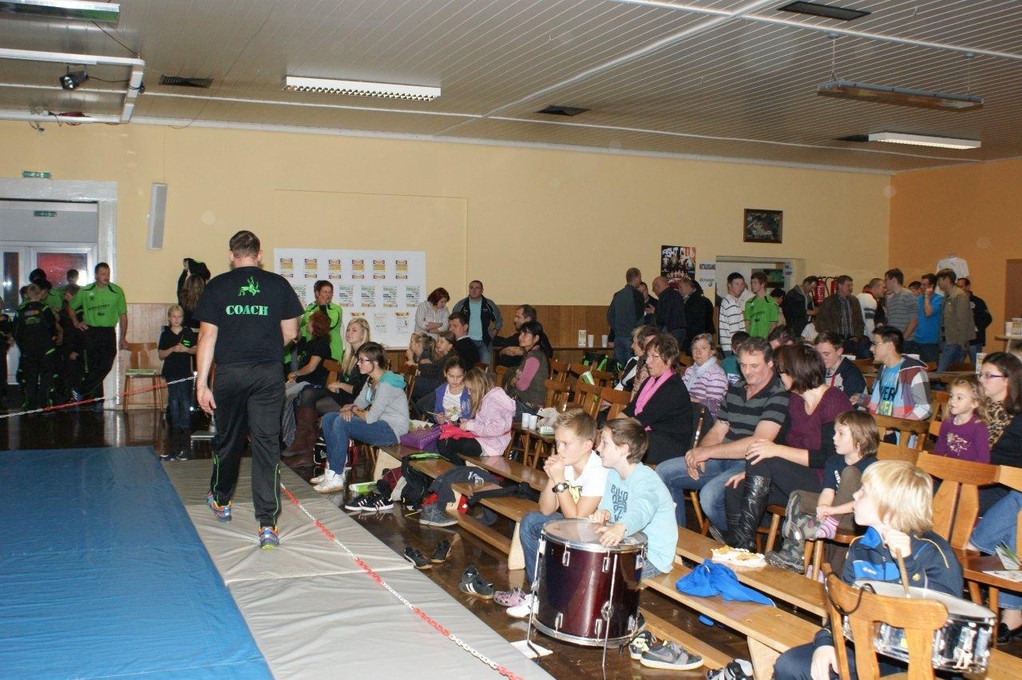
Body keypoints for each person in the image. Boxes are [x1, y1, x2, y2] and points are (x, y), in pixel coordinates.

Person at [773, 461, 962, 680]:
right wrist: (826, 643)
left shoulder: (933, 552)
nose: (855, 494)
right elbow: (844, 606)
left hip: (915, 658)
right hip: (866, 644)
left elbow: (944, 620)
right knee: (790, 665)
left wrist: (908, 562)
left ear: (889, 506)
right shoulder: (860, 547)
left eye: (864, 492)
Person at [194, 230, 303, 550]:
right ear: (260, 254)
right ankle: (267, 524)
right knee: (267, 444)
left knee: (229, 440)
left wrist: (201, 383)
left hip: (230, 373)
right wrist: (264, 346)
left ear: (231, 255)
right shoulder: (278, 284)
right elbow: (291, 333)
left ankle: (221, 500)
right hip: (268, 373)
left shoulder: (217, 286)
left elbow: (206, 337)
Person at [713, 344, 851, 551]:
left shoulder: (833, 401)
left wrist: (773, 453)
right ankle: (740, 548)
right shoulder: (795, 400)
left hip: (825, 482)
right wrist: (752, 472)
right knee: (735, 487)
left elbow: (827, 457)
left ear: (796, 373)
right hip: (794, 475)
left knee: (765, 454)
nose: (780, 377)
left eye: (782, 372)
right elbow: (779, 442)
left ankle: (741, 542)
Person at [656, 337, 788, 529]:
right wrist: (700, 452)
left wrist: (708, 452)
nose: (747, 371)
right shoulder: (736, 389)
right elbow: (718, 430)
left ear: (770, 363)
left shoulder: (778, 393)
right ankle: (677, 537)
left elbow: (758, 442)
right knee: (663, 471)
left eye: (754, 365)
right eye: (743, 365)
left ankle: (737, 538)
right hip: (721, 457)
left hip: (751, 465)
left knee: (710, 497)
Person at [495, 409, 607, 616]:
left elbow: (577, 519)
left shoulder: (597, 471)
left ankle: (548, 594)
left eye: (565, 444)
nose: (559, 449)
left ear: (587, 446)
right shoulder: (568, 463)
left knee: (548, 526)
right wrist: (552, 477)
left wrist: (560, 480)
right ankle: (539, 592)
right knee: (531, 521)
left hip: (594, 534)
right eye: (557, 443)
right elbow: (546, 509)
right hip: (573, 525)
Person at [766, 410, 879, 572]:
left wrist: (832, 512)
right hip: (834, 512)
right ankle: (793, 553)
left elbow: (865, 503)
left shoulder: (872, 467)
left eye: (841, 434)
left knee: (850, 472)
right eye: (835, 432)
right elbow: (828, 491)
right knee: (798, 496)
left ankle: (822, 525)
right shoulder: (834, 461)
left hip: (855, 517)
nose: (834, 438)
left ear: (860, 440)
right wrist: (823, 508)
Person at [418, 368, 517, 524]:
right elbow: (485, 423)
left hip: (491, 445)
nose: (469, 393)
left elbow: (496, 429)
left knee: (447, 444)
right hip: (484, 440)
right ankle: (459, 475)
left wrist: (471, 425)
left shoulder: (492, 400)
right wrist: (470, 423)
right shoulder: (488, 397)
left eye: (470, 389)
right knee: (445, 441)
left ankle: (461, 475)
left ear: (477, 386)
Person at [313, 342, 409, 494]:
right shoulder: (371, 379)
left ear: (374, 363)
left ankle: (337, 474)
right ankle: (331, 471)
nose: (358, 363)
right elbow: (360, 402)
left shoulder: (386, 385)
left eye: (362, 360)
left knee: (341, 422)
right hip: (380, 424)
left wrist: (352, 410)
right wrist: (352, 409)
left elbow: (369, 418)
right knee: (329, 418)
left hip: (392, 431)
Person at [590, 418, 677, 580]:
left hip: (651, 556)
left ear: (623, 449)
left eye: (604, 443)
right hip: (629, 544)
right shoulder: (613, 473)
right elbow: (607, 507)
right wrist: (603, 513)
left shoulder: (646, 479)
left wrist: (621, 527)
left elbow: (642, 511)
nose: (598, 448)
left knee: (598, 569)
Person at [620, 334, 693, 466]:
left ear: (669, 359)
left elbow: (643, 419)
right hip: (651, 435)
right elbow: (631, 408)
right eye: (647, 356)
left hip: (670, 444)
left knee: (620, 445)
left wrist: (614, 432)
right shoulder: (650, 380)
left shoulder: (673, 387)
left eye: (654, 357)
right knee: (613, 440)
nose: (648, 361)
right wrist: (610, 426)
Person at [69, 262, 128, 410]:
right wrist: (76, 323)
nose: (106, 277)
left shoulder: (116, 291)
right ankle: (97, 402)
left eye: (108, 274)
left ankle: (80, 390)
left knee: (106, 364)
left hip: (108, 332)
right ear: (96, 275)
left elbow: (123, 315)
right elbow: (71, 307)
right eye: (103, 274)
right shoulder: (85, 291)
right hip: (91, 331)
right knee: (93, 367)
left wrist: (123, 337)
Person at [280, 310, 333, 460]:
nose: (307, 325)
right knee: (278, 393)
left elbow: (311, 368)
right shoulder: (310, 343)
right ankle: (282, 436)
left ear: (316, 325)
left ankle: (289, 438)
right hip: (302, 380)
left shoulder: (321, 344)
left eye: (310, 322)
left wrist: (295, 374)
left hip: (311, 383)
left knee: (284, 397)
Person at [860, 325, 932, 421]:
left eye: (875, 343)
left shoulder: (914, 372)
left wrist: (899, 424)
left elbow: (925, 408)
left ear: (889, 346)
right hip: (879, 425)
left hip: (899, 429)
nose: (871, 348)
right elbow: (879, 400)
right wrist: (861, 399)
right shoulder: (882, 370)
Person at [157, 304, 197, 461]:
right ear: (169, 318)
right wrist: (172, 349)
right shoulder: (166, 334)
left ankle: (185, 432)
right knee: (174, 401)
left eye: (179, 316)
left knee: (185, 401)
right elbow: (161, 355)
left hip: (185, 374)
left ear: (183, 318)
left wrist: (186, 350)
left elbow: (196, 349)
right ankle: (175, 430)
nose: (176, 319)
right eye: (174, 316)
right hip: (171, 373)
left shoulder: (188, 332)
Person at [13, 283, 60, 409]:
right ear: (39, 294)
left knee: (30, 377)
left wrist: (23, 346)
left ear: (27, 295)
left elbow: (16, 332)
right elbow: (52, 328)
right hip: (46, 349)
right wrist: (53, 338)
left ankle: (30, 404)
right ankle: (45, 404)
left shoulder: (20, 311)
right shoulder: (45, 309)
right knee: (47, 377)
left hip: (29, 350)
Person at [932, 376, 990, 463]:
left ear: (974, 403)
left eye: (959, 398)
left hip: (970, 469)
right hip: (949, 467)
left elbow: (983, 459)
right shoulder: (947, 422)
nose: (952, 401)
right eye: (951, 396)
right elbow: (940, 448)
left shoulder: (979, 428)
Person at [502, 320, 550, 419]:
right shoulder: (533, 354)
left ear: (536, 338)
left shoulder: (534, 357)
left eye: (525, 334)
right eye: (521, 333)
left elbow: (522, 386)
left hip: (530, 409)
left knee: (495, 408)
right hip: (526, 405)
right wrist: (515, 379)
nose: (520, 337)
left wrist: (515, 380)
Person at [451, 280, 502, 364]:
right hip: (467, 342)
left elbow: (499, 319)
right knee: (467, 365)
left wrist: (495, 331)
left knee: (485, 367)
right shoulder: (461, 304)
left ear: (482, 290)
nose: (474, 290)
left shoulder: (489, 304)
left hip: (484, 341)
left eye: (477, 288)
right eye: (471, 287)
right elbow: (453, 321)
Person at [814, 275, 865, 356]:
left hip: (852, 340)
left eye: (852, 285)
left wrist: (857, 336)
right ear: (840, 286)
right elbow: (820, 323)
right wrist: (830, 338)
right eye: (848, 285)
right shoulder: (829, 302)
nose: (851, 288)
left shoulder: (854, 301)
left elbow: (860, 321)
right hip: (835, 341)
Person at [295, 280, 343, 365]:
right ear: (317, 293)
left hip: (332, 353)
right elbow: (304, 332)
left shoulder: (336, 309)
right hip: (312, 352)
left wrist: (323, 306)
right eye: (325, 292)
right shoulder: (310, 308)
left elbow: (327, 326)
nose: (328, 295)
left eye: (330, 292)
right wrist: (300, 351)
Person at [936, 268, 975, 372]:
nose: (938, 283)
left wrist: (962, 343)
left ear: (946, 279)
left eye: (939, 280)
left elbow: (962, 321)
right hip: (946, 339)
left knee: (941, 371)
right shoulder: (947, 295)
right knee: (951, 371)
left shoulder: (959, 295)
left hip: (955, 341)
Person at [682, 333, 729, 416]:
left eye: (703, 348)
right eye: (695, 348)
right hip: (687, 414)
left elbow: (715, 406)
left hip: (705, 418)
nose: (698, 352)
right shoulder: (690, 370)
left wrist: (689, 400)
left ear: (712, 352)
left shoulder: (716, 374)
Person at [814, 331, 866, 404]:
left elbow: (849, 406)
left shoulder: (852, 374)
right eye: (818, 354)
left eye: (826, 354)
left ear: (839, 351)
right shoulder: (819, 370)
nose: (821, 358)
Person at [608, 267, 645, 366]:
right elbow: (640, 318)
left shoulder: (618, 295)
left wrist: (616, 329)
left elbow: (610, 315)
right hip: (631, 338)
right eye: (640, 278)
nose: (640, 280)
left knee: (618, 367)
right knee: (631, 367)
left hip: (618, 337)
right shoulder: (637, 295)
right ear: (636, 278)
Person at [424, 355, 472, 424]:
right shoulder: (441, 391)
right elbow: (437, 412)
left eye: (459, 376)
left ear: (464, 374)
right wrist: (438, 418)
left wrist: (465, 421)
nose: (455, 380)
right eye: (451, 376)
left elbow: (473, 414)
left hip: (462, 428)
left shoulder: (468, 391)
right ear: (445, 373)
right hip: (445, 427)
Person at [616, 325, 660, 396]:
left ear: (644, 345)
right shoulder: (633, 360)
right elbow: (620, 386)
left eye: (634, 343)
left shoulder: (651, 367)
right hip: (619, 398)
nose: (632, 346)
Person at [957, 277, 992, 364]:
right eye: (957, 287)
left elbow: (988, 318)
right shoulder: (954, 301)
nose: (959, 289)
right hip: (959, 340)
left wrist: (976, 328)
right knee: (956, 365)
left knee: (976, 365)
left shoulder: (977, 301)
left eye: (961, 287)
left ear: (968, 287)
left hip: (975, 340)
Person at [911, 273, 943, 363]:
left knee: (931, 367)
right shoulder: (918, 299)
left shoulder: (939, 300)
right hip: (917, 340)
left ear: (931, 286)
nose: (921, 287)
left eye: (924, 285)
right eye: (921, 284)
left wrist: (927, 298)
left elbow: (928, 313)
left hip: (931, 342)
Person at [719, 273, 751, 356]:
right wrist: (738, 347)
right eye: (736, 284)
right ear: (729, 285)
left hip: (729, 346)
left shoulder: (728, 300)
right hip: (733, 347)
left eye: (742, 284)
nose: (739, 287)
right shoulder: (731, 303)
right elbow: (734, 330)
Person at [679, 278, 714, 354]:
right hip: (700, 334)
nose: (679, 290)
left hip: (696, 335)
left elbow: (694, 320)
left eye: (681, 287)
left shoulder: (695, 300)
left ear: (689, 286)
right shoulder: (700, 298)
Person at [883, 268, 917, 342]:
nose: (884, 283)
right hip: (893, 340)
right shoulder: (889, 298)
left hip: (907, 341)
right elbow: (889, 319)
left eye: (886, 280)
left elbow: (914, 320)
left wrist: (902, 339)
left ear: (894, 280)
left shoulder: (908, 295)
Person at [652, 276, 686, 347]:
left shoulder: (663, 297)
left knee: (667, 352)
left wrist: (655, 313)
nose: (654, 291)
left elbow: (662, 318)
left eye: (654, 289)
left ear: (657, 286)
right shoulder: (677, 294)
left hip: (670, 331)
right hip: (681, 330)